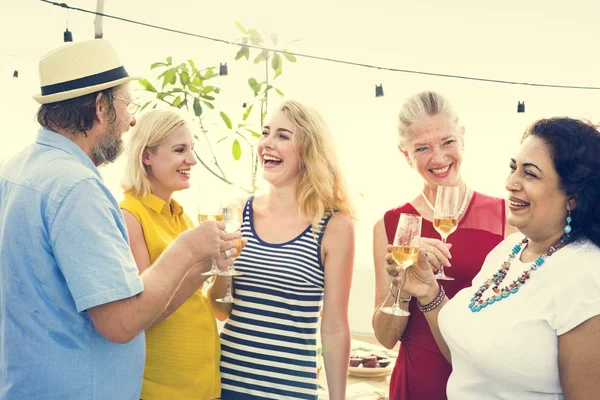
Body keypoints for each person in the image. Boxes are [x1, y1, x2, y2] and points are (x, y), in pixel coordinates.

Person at [0, 39, 238, 400]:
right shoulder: (77, 187)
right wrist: (188, 249)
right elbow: (121, 322)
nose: (131, 120)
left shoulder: (19, 168)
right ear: (100, 107)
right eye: (127, 104)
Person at [389, 117, 600, 399]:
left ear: (573, 196)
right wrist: (428, 291)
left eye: (530, 174)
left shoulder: (585, 275)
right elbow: (467, 359)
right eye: (513, 168)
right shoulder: (509, 249)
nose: (511, 183)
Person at [372, 91, 515, 400]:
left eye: (447, 142)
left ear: (462, 137)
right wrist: (402, 286)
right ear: (405, 154)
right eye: (422, 148)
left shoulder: (507, 219)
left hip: (482, 386)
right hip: (415, 382)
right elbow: (385, 338)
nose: (438, 158)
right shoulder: (391, 225)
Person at [209, 100, 355, 400]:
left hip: (292, 391)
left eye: (282, 136)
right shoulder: (237, 212)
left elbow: (335, 327)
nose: (267, 144)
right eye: (265, 133)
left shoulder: (334, 226)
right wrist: (222, 270)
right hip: (226, 385)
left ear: (309, 151)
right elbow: (220, 309)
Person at [121, 109, 231, 399]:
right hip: (162, 388)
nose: (192, 160)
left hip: (204, 384)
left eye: (191, 149)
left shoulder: (180, 216)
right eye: (180, 150)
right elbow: (141, 315)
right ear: (147, 156)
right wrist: (199, 264)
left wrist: (221, 268)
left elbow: (209, 303)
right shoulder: (130, 216)